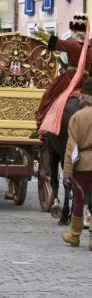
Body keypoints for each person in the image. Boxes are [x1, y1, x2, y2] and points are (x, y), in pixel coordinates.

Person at [31, 14, 92, 137]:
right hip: (86, 82)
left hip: (70, 79)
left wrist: (39, 31)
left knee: (48, 95)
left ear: (75, 33)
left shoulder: (73, 45)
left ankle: (40, 126)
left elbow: (54, 42)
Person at [62, 76, 92, 250]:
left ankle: (74, 235)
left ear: (86, 97)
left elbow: (71, 148)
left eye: (81, 95)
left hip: (83, 165)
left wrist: (67, 172)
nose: (79, 98)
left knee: (79, 200)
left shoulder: (78, 117)